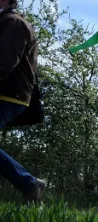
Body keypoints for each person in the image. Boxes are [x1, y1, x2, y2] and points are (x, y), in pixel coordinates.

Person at [0, 0, 46, 203]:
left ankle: (29, 183)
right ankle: (29, 183)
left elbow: (4, 62)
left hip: (9, 94)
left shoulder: (15, 23)